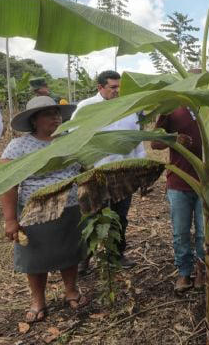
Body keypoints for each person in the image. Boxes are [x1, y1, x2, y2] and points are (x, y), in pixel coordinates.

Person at [0, 96, 88, 323]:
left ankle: (71, 290)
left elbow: (86, 171)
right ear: (34, 120)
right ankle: (38, 300)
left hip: (69, 208)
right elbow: (8, 185)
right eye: (49, 113)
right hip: (34, 212)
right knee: (35, 258)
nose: (56, 117)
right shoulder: (19, 146)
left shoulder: (72, 141)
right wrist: (10, 219)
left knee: (70, 252)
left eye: (57, 113)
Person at [73, 70, 146, 271]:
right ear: (100, 87)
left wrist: (141, 170)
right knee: (91, 216)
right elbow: (74, 138)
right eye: (113, 87)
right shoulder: (85, 108)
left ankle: (116, 255)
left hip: (123, 173)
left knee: (120, 216)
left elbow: (136, 141)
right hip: (95, 173)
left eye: (118, 86)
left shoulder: (128, 109)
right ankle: (84, 259)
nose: (117, 90)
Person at [151, 107, 207, 293]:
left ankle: (201, 270)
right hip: (179, 181)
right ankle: (184, 272)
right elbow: (154, 143)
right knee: (181, 232)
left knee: (203, 233)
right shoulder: (171, 107)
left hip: (206, 183)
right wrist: (174, 139)